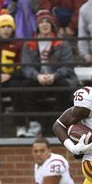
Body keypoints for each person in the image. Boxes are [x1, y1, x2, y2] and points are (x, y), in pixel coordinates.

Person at [21, 9, 78, 137]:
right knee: (24, 86)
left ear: (52, 25)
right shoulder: (29, 44)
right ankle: (34, 124)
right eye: (41, 22)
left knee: (63, 86)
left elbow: (68, 66)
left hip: (57, 78)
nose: (45, 24)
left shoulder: (62, 43)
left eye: (48, 21)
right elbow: (26, 66)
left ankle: (62, 123)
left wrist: (55, 75)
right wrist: (37, 76)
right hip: (38, 79)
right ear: (37, 25)